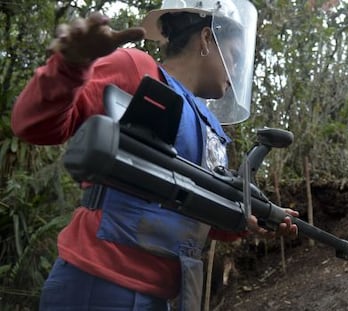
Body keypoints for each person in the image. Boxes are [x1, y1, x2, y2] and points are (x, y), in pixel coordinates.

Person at [11, 0, 299, 310]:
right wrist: (69, 66)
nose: (237, 70)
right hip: (100, 283)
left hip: (159, 297)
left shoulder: (210, 127)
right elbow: (34, 126)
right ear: (206, 38)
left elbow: (188, 209)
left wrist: (249, 220)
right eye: (234, 55)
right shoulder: (136, 69)